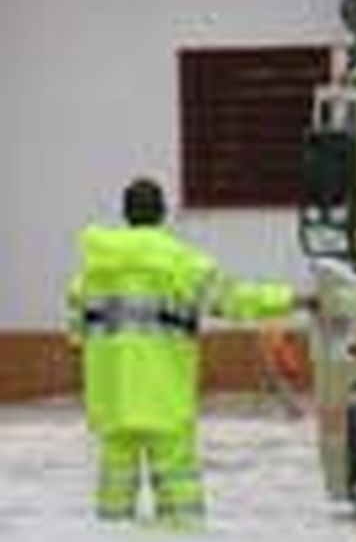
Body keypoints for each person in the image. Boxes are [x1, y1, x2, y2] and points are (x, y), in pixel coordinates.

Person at [66, 177, 299, 524]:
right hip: (166, 403)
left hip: (113, 404)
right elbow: (233, 300)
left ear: (125, 213)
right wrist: (293, 300)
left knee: (113, 511)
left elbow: (76, 336)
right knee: (180, 508)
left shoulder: (91, 273)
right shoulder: (183, 263)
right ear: (162, 213)